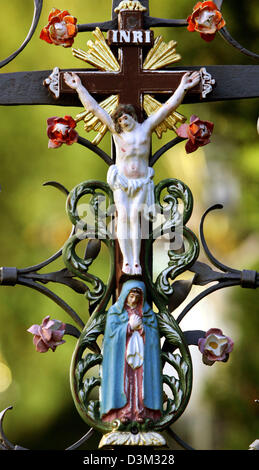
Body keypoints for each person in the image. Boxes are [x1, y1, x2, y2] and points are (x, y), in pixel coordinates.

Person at [64, 71, 201, 275]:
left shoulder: (145, 129)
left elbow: (167, 109)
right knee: (123, 218)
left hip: (141, 182)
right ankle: (126, 260)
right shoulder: (117, 134)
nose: (123, 123)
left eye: (125, 118)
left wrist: (183, 87)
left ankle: (135, 260)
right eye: (119, 121)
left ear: (132, 117)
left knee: (135, 219)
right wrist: (78, 87)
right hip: (122, 181)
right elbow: (94, 109)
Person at [99, 279, 162, 423]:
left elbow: (153, 338)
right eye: (131, 296)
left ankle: (140, 411)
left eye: (137, 297)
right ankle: (124, 412)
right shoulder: (115, 313)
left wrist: (142, 329)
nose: (134, 300)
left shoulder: (148, 315)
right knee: (126, 384)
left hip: (141, 360)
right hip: (122, 360)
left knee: (140, 384)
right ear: (125, 295)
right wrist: (128, 327)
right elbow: (110, 337)